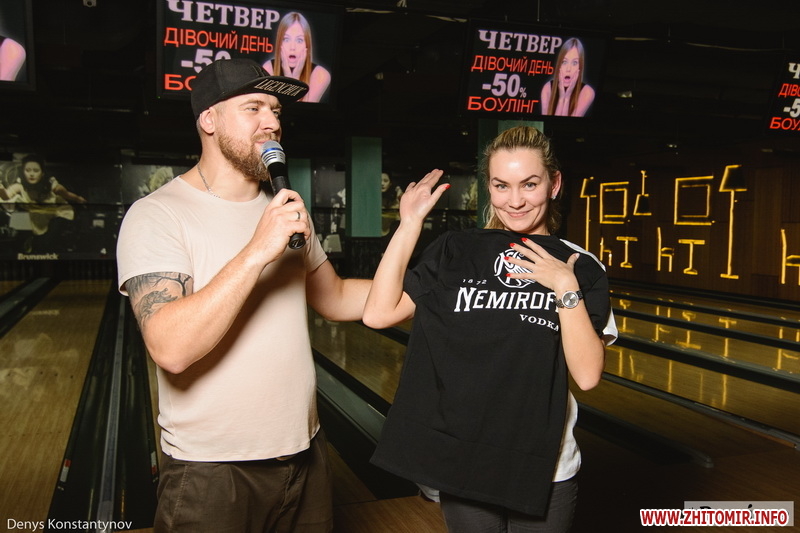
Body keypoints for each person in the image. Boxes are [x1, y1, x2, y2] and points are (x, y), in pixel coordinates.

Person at [116, 58, 370, 532]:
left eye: (276, 110)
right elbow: (170, 347)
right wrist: (257, 250)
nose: (271, 122)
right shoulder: (158, 214)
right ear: (209, 120)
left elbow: (335, 297)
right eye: (253, 107)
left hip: (306, 456)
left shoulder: (286, 210)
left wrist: (433, 285)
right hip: (212, 472)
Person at [363, 126, 617, 532]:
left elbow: (587, 376)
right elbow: (379, 314)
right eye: (501, 185)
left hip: (546, 468)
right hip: (464, 459)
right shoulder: (454, 252)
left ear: (554, 184)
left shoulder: (581, 267)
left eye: (529, 184)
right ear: (489, 187)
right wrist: (409, 224)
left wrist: (565, 286)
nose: (515, 201)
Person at [0, 154, 87, 252]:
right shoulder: (20, 186)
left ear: (42, 173)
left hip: (56, 214)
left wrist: (78, 199)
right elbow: (6, 196)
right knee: (26, 244)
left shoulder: (52, 185)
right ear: (23, 172)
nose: (31, 174)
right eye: (27, 170)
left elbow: (65, 194)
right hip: (36, 217)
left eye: (36, 170)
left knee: (45, 245)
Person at [263, 12, 331, 103]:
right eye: (286, 39)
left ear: (307, 45)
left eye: (299, 40)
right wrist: (288, 76)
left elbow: (301, 110)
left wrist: (294, 78)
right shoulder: (268, 68)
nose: (292, 47)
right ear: (280, 43)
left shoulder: (321, 74)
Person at [540, 38, 595, 117]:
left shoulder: (587, 92)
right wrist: (561, 98)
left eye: (574, 63)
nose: (568, 69)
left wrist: (567, 98)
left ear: (580, 67)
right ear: (559, 65)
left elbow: (566, 123)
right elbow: (549, 123)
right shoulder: (547, 88)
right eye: (564, 62)